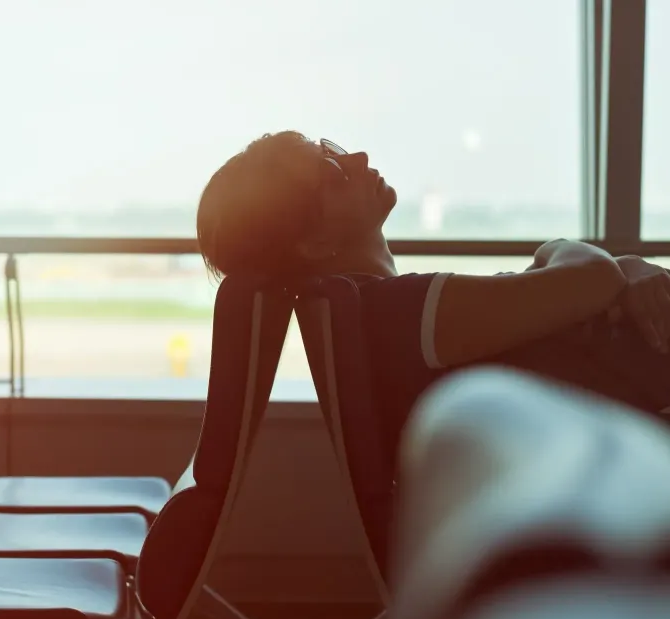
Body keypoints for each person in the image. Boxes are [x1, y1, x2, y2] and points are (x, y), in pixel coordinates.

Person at [196, 130, 670, 472]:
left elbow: (585, 282)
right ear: (314, 244)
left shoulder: (382, 315)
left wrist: (625, 270)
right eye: (334, 172)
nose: (358, 157)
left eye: (332, 148)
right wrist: (583, 254)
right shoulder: (404, 312)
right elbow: (592, 275)